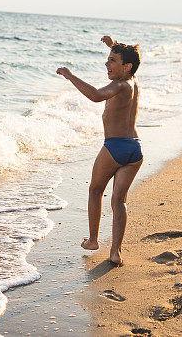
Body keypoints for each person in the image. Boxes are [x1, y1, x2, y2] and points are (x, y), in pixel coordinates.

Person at [56, 36, 142, 265]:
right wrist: (113, 45)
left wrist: (70, 75)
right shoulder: (132, 80)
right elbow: (129, 59)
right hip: (134, 149)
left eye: (112, 61)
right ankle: (116, 252)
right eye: (107, 59)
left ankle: (93, 240)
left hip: (115, 146)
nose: (107, 64)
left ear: (126, 67)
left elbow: (95, 96)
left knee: (95, 191)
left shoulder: (119, 85)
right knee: (119, 200)